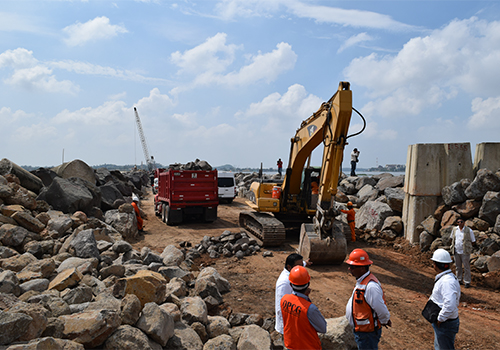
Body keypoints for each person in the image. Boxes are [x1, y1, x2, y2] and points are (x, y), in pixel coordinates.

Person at [345, 249, 391, 350]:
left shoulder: (371, 286)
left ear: (362, 268)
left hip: (367, 333)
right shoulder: (362, 281)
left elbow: (380, 308)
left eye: (352, 267)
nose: (349, 269)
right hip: (362, 331)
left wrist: (385, 320)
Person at [281, 265, 327, 350]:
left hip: (290, 345)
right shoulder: (310, 308)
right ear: (308, 284)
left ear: (291, 284)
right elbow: (323, 328)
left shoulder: (284, 299)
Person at [428, 249, 460, 350]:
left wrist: (440, 318)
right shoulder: (447, 278)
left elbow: (450, 305)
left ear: (435, 264)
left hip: (445, 322)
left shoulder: (447, 282)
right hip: (446, 321)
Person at [275, 253, 311, 334]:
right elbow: (280, 308)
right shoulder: (284, 282)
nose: (301, 269)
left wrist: (305, 263)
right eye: (299, 266)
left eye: (302, 266)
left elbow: (298, 268)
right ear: (289, 267)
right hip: (287, 327)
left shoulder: (293, 273)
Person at [450, 218, 476, 288]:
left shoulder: (469, 230)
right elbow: (452, 239)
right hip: (456, 251)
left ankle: (467, 281)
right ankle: (459, 280)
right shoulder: (455, 230)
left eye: (461, 222)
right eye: (458, 222)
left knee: (466, 267)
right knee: (458, 267)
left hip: (465, 251)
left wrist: (467, 246)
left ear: (464, 222)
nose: (460, 223)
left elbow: (473, 241)